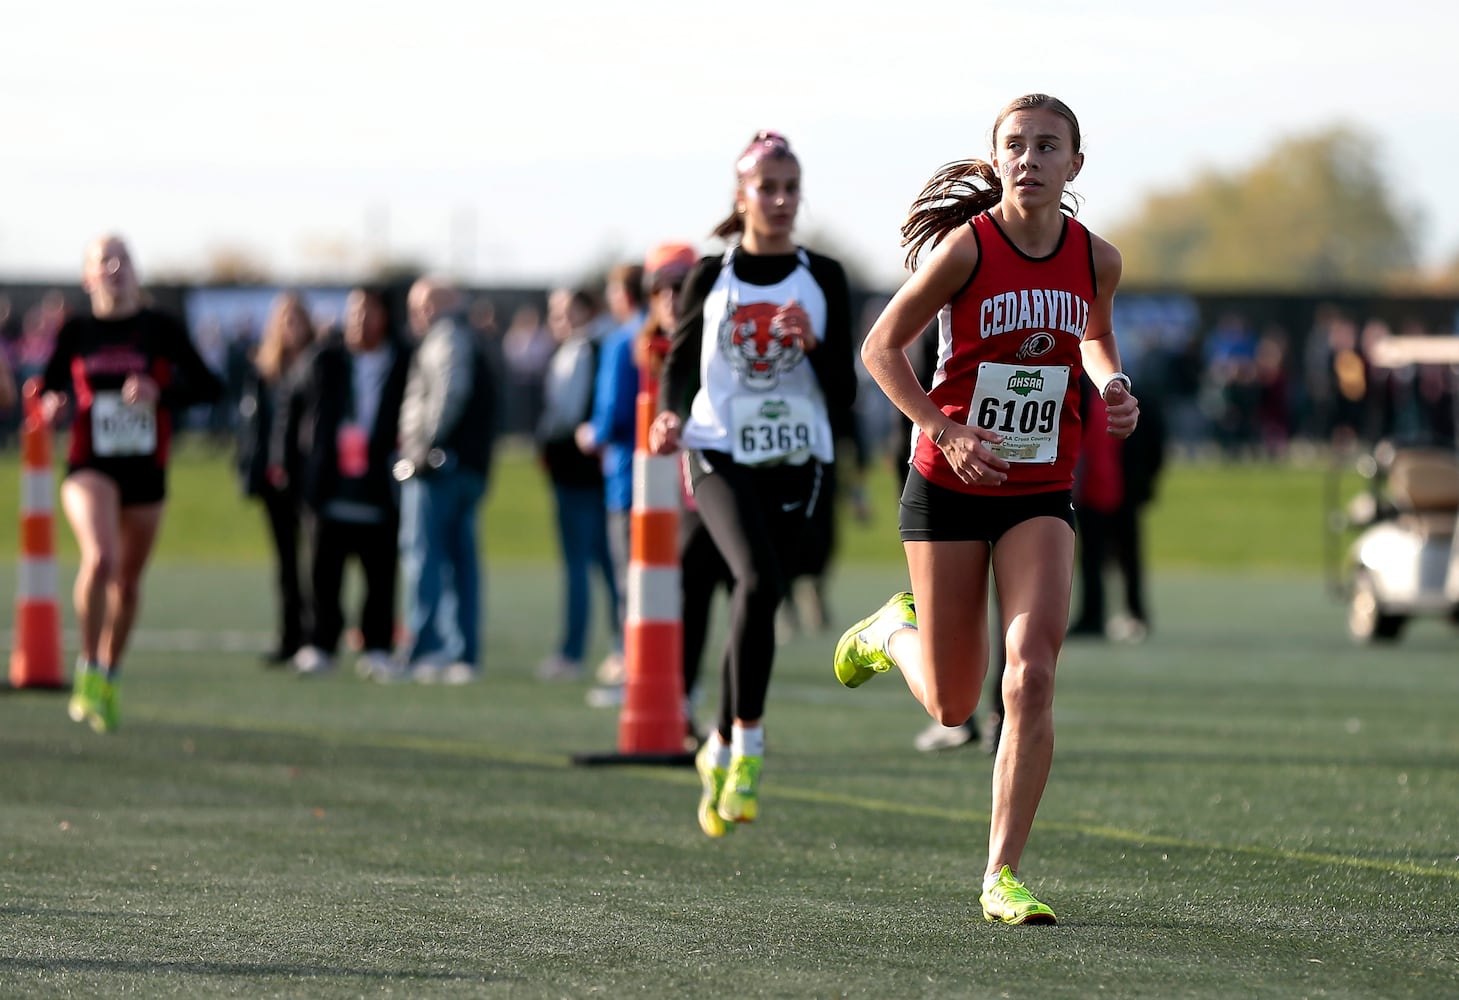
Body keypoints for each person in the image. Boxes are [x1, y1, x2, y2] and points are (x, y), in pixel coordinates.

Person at [832, 94, 1139, 924]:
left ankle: (1001, 874)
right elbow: (879, 348)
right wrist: (941, 426)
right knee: (952, 704)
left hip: (1039, 487)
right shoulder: (966, 251)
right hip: (948, 485)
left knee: (1030, 674)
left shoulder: (1095, 259)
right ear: (996, 159)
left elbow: (1092, 334)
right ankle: (888, 632)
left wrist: (1110, 383)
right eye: (1016, 145)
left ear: (1075, 164)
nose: (1031, 159)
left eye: (1048, 147)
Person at [649, 130, 858, 835]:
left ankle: (715, 740)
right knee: (760, 584)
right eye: (766, 187)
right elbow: (678, 363)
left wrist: (812, 344)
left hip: (797, 458)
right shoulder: (711, 276)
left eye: (789, 187)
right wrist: (671, 414)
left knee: (759, 594)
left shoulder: (823, 276)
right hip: (718, 453)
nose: (779, 200)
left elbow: (844, 393)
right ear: (740, 197)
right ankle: (748, 745)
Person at [40, 235, 223, 732]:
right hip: (89, 464)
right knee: (100, 559)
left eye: (124, 259)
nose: (115, 267)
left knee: (128, 582)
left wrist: (159, 390)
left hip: (146, 469)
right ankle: (87, 666)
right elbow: (48, 386)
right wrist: (51, 404)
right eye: (105, 259)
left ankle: (111, 671)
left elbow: (210, 385)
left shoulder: (159, 327)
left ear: (136, 273)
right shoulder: (76, 330)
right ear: (89, 275)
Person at [278, 286, 413, 678]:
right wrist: (288, 465)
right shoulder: (326, 358)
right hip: (328, 482)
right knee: (322, 571)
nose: (358, 319)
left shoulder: (403, 361)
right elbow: (292, 406)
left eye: (368, 311)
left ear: (385, 317)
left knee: (380, 573)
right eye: (353, 310)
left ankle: (377, 646)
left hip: (380, 484)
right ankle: (320, 644)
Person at [395, 276, 498, 683]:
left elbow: (448, 394)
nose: (416, 315)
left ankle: (424, 646)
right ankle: (461, 652)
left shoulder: (447, 338)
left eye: (421, 306)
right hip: (465, 467)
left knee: (425, 556)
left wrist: (423, 448)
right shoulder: (467, 336)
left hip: (440, 468)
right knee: (460, 563)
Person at [535, 287, 620, 681]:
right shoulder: (581, 348)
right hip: (581, 476)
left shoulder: (592, 348)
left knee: (591, 568)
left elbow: (572, 418)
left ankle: (576, 652)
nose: (558, 319)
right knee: (604, 567)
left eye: (566, 311)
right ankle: (618, 649)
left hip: (583, 475)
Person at [574, 263, 647, 688]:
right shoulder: (665, 335)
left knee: (629, 579)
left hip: (625, 476)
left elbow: (611, 414)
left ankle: (629, 662)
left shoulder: (623, 341)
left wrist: (589, 433)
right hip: (672, 479)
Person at [236, 291, 316, 666]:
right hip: (274, 478)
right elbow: (252, 427)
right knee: (285, 562)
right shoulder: (264, 370)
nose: (290, 327)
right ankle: (290, 636)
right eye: (284, 320)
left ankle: (316, 636)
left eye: (296, 319)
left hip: (311, 477)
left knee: (315, 559)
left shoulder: (318, 365)